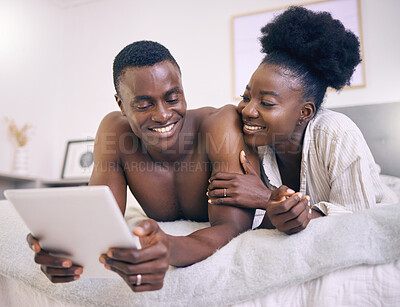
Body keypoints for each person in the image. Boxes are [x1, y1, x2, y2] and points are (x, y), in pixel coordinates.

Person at [27, 40, 259, 292]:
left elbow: (232, 227)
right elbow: (100, 223)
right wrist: (62, 249)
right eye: (144, 104)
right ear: (121, 105)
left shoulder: (220, 124)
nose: (162, 115)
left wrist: (170, 248)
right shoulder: (115, 131)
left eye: (173, 98)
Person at [207, 6, 398, 234]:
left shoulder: (337, 133)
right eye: (245, 97)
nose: (247, 110)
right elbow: (261, 223)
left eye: (266, 103)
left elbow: (357, 221)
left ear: (304, 113)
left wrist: (266, 197)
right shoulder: (252, 140)